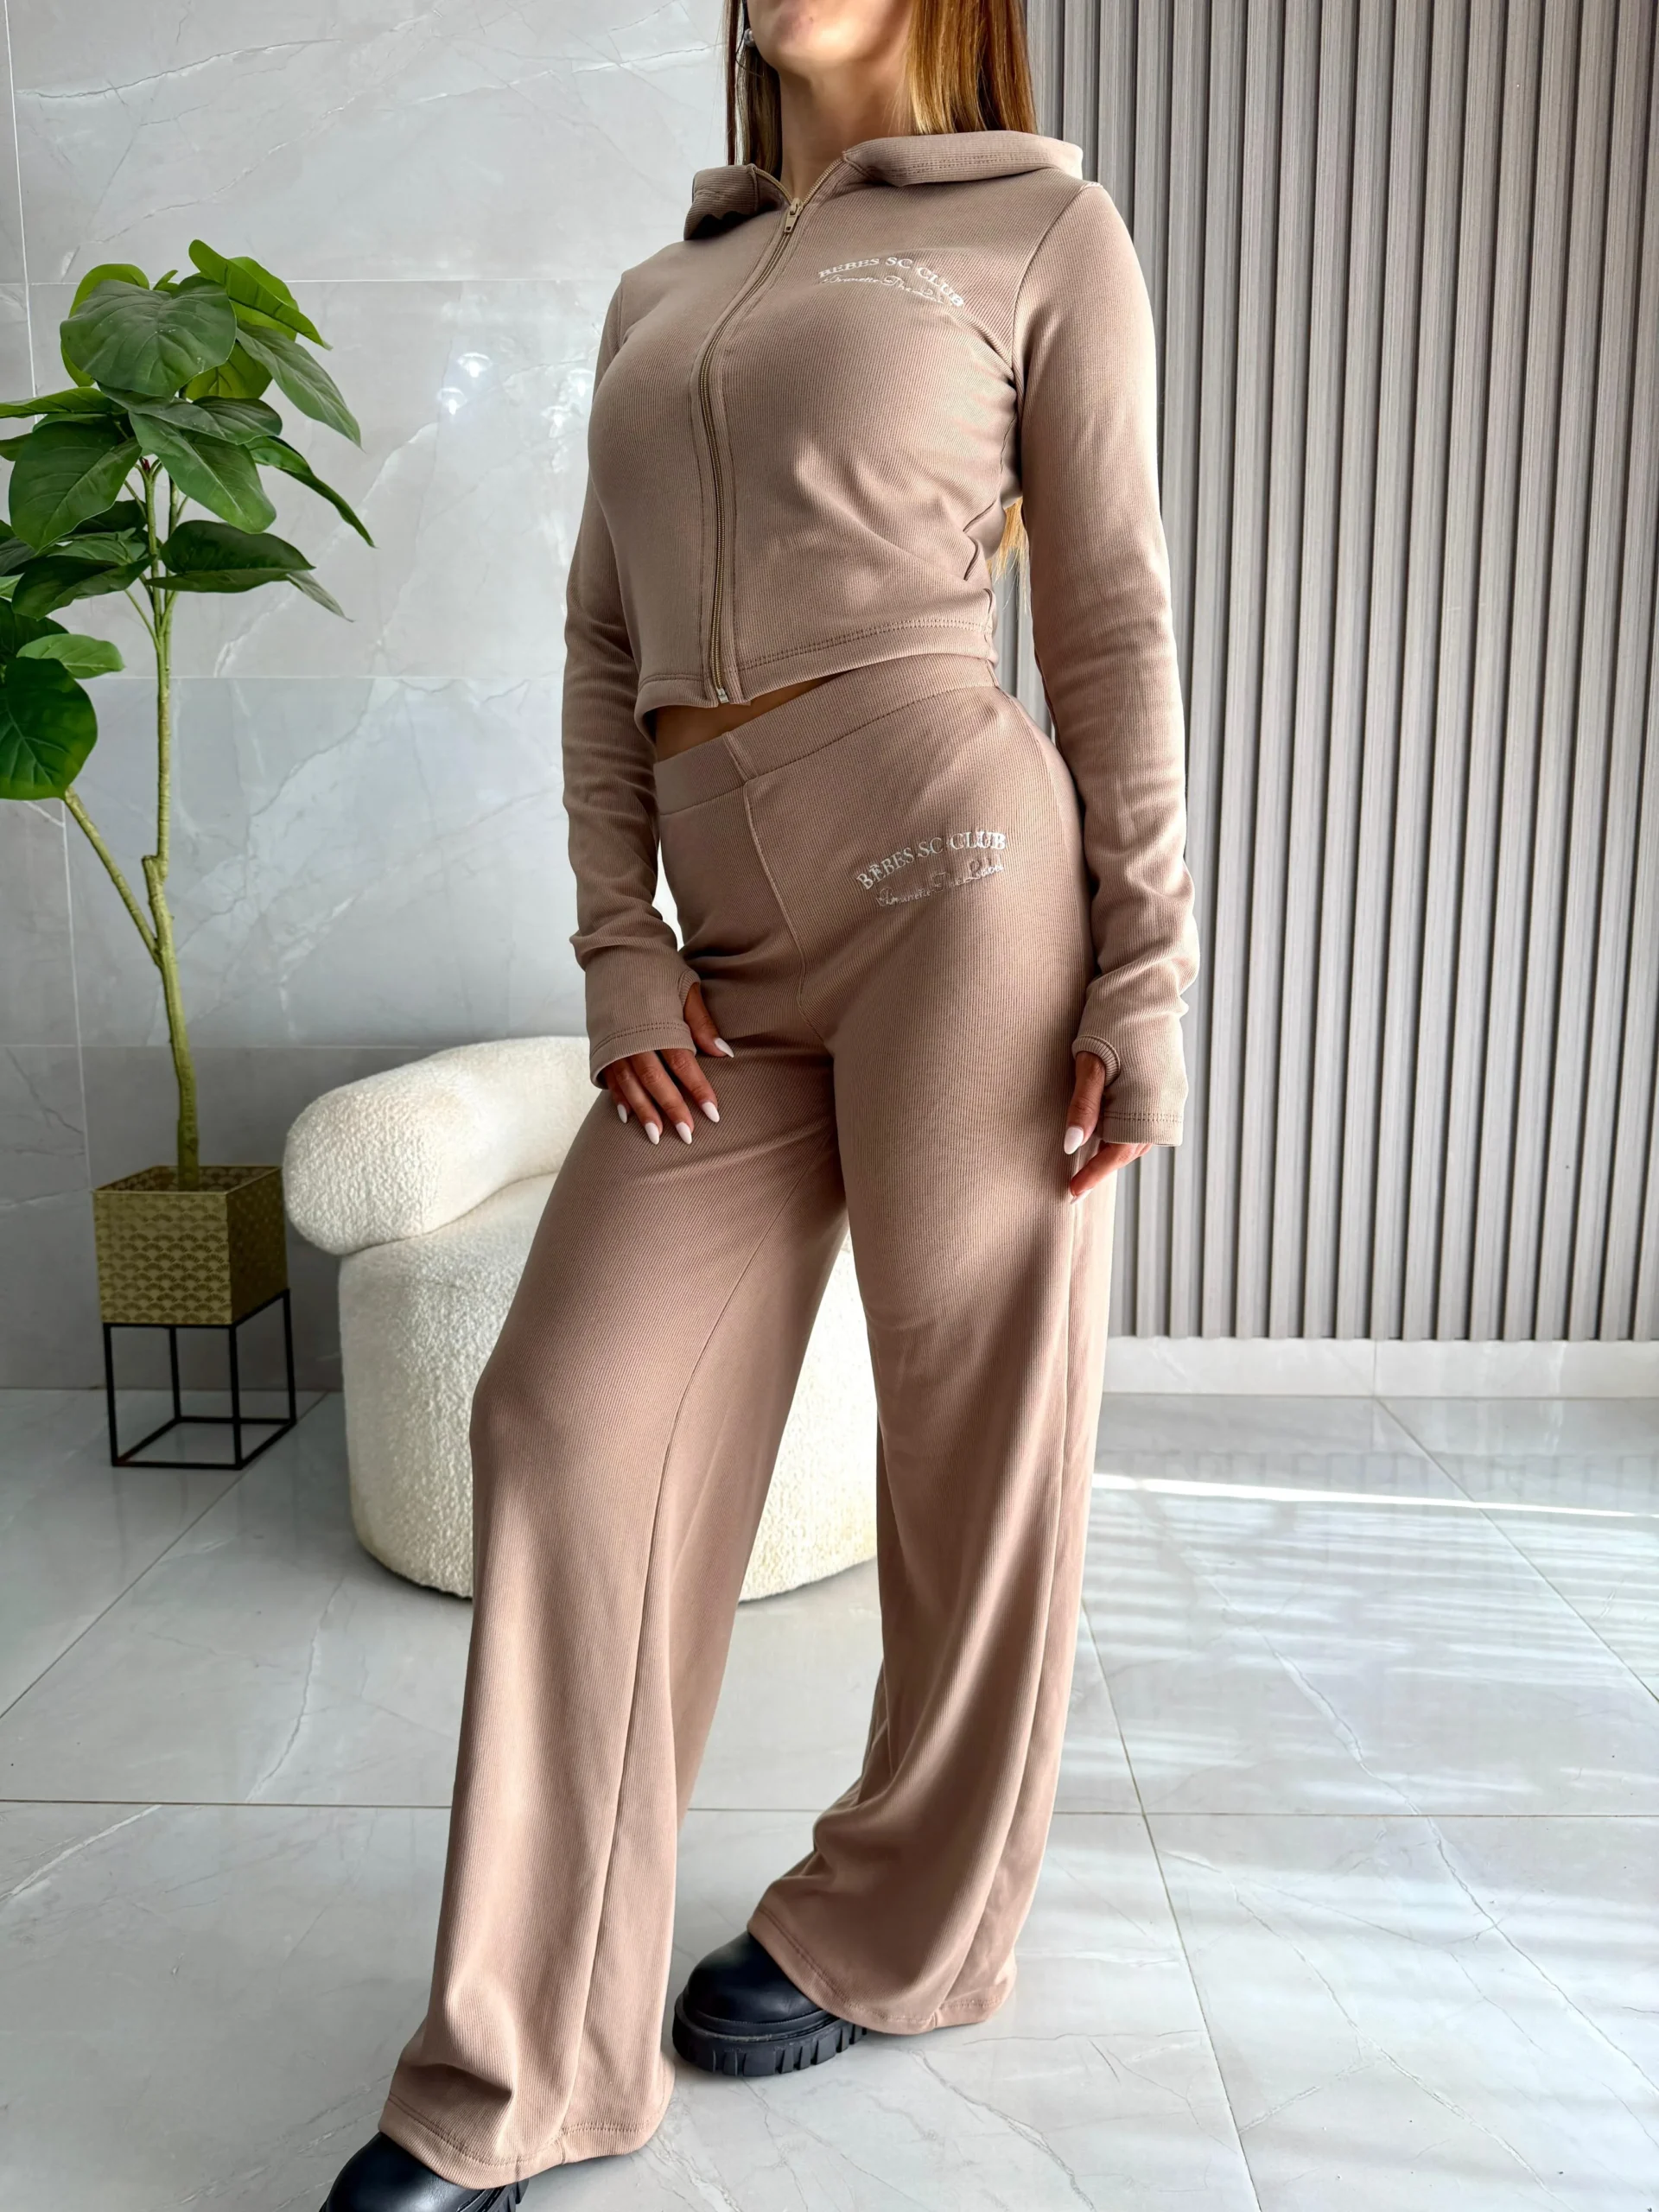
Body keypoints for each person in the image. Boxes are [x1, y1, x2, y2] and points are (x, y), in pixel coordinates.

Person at [321, 0, 1196, 2202]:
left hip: (957, 878)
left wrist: (1148, 968)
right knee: (563, 1416)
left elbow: (1109, 620)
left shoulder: (1043, 225)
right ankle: (525, 2060)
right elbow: (597, 647)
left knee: (971, 1439)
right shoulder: (669, 282)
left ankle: (904, 1926)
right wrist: (616, 941)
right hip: (719, 955)